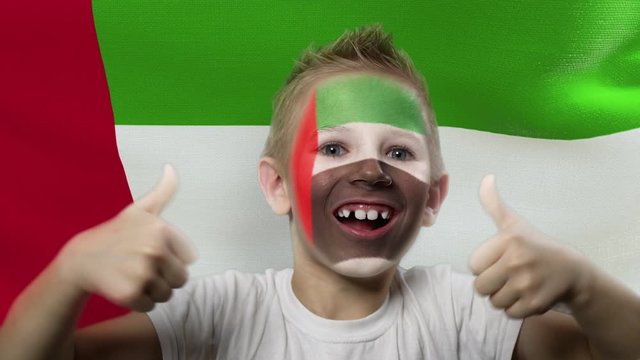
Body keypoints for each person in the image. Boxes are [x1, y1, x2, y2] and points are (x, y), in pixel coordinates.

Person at [1, 25, 639, 360]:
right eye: (334, 148)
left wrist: (585, 286)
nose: (370, 172)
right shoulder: (216, 315)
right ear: (276, 186)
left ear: (435, 198)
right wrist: (70, 272)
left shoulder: (466, 315)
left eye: (398, 152)